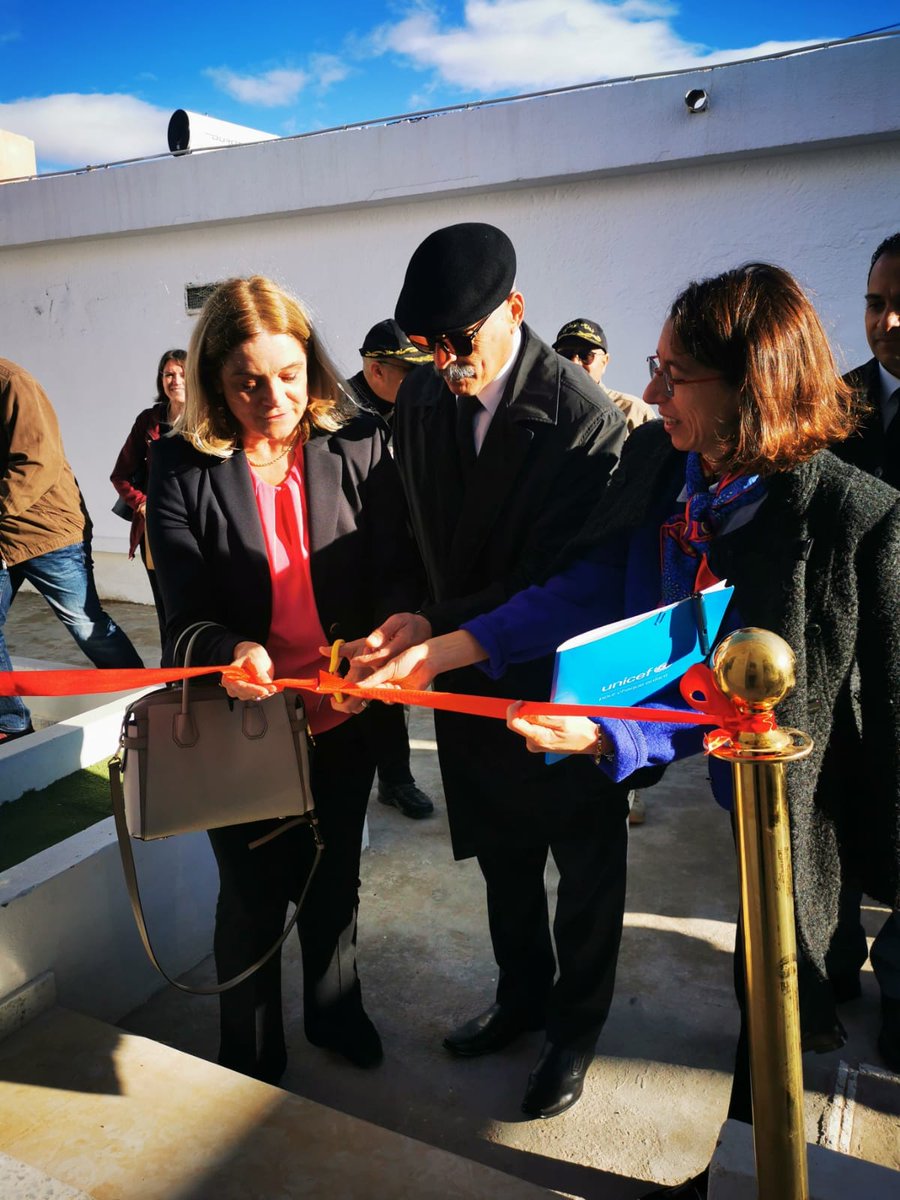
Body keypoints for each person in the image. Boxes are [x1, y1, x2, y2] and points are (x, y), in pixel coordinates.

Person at [356, 262, 900, 1197]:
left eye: (675, 373)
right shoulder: (664, 464)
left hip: (806, 785)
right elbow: (593, 588)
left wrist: (617, 736)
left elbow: (764, 700)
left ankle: (751, 1156)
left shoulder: (842, 516)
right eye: (655, 365)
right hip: (708, 746)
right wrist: (455, 645)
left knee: (779, 967)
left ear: (752, 384)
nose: (648, 393)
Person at [347, 222, 631, 1120]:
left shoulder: (581, 417)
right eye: (426, 345)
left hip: (560, 686)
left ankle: (573, 1033)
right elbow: (412, 535)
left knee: (582, 871)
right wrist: (401, 612)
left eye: (459, 339)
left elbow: (556, 580)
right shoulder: (424, 400)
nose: (443, 359)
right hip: (464, 681)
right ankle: (522, 997)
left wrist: (434, 626)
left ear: (514, 308)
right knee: (504, 860)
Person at [146, 276, 423, 1084]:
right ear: (213, 384)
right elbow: (181, 614)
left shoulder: (360, 441)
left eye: (291, 374)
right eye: (247, 381)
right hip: (246, 724)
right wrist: (228, 649)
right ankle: (251, 1054)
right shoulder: (180, 465)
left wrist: (386, 634)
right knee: (252, 896)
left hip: (344, 714)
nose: (274, 398)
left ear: (315, 365)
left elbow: (398, 570)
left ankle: (336, 1011)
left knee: (335, 879)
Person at [828, 231, 900, 1071]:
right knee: (836, 815)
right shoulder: (835, 405)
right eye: (876, 302)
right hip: (839, 659)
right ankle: (831, 961)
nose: (889, 320)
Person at [1, 357, 144, 743]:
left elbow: (36, 464)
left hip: (50, 532)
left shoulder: (13, 383)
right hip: (3, 534)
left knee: (86, 625)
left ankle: (146, 701)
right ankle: (10, 723)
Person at [347, 319, 435, 819]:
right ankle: (392, 779)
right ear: (377, 370)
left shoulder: (405, 408)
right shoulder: (341, 418)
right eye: (409, 372)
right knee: (367, 675)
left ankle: (392, 779)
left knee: (388, 675)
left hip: (398, 566)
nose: (421, 381)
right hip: (353, 570)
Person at [110, 348, 187, 646]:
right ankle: (174, 680)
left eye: (182, 373)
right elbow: (120, 474)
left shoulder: (207, 418)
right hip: (157, 530)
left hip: (199, 526)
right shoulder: (149, 421)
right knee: (167, 608)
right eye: (169, 374)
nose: (175, 380)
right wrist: (141, 502)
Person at [553, 318, 657, 433]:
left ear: (605, 361)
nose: (574, 363)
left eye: (586, 355)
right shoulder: (539, 410)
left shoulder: (634, 412)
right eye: (565, 355)